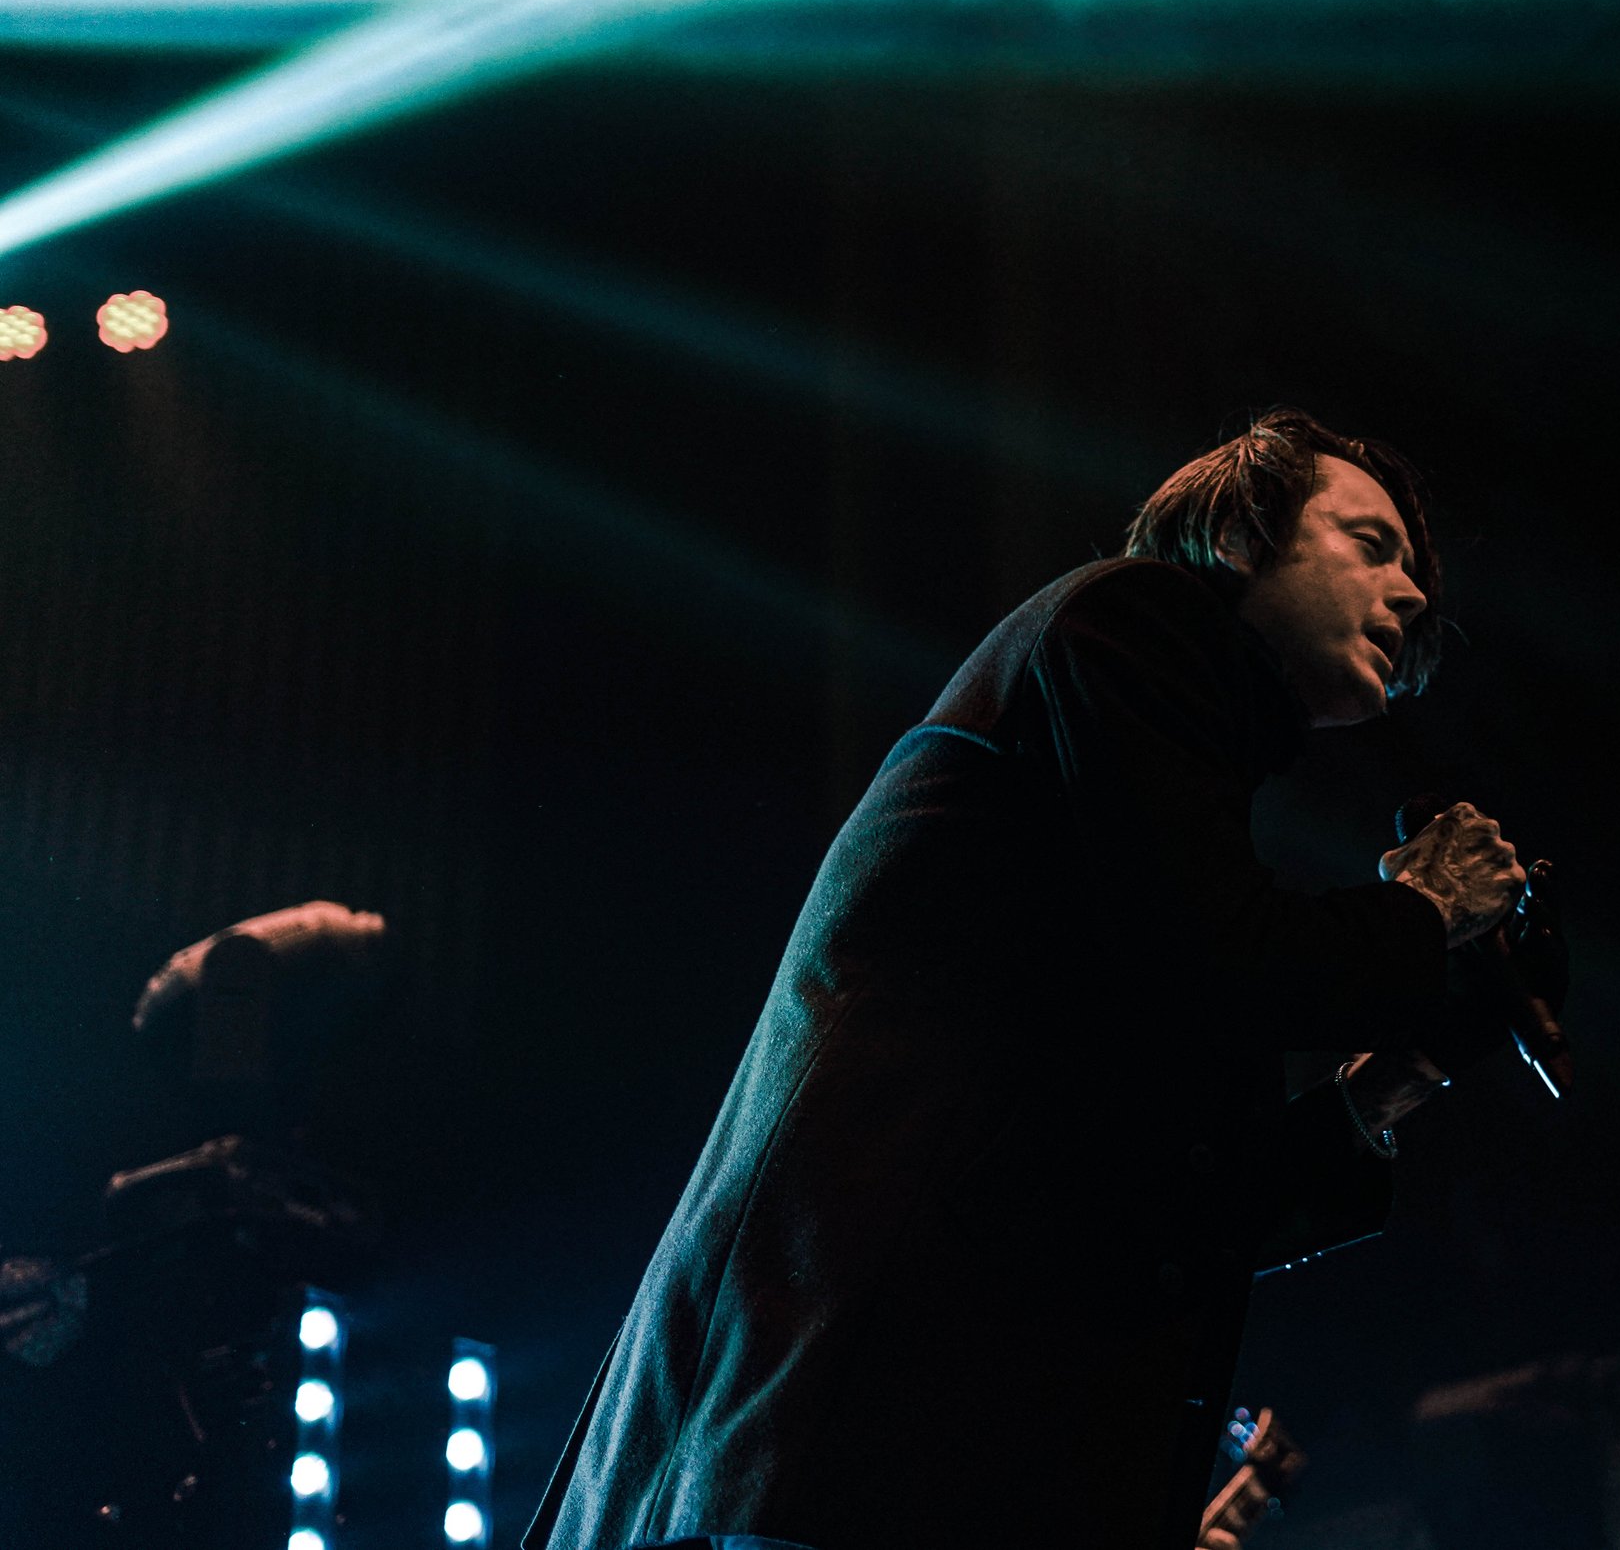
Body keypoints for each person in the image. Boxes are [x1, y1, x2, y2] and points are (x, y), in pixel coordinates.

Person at [522, 411, 1530, 1550]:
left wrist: (1379, 1092)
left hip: (893, 1448)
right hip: (847, 1431)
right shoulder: (1132, 622)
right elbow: (1214, 963)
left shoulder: (1168, 770)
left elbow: (1156, 1191)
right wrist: (1423, 909)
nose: (1408, 595)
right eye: (1370, 543)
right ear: (1244, 531)